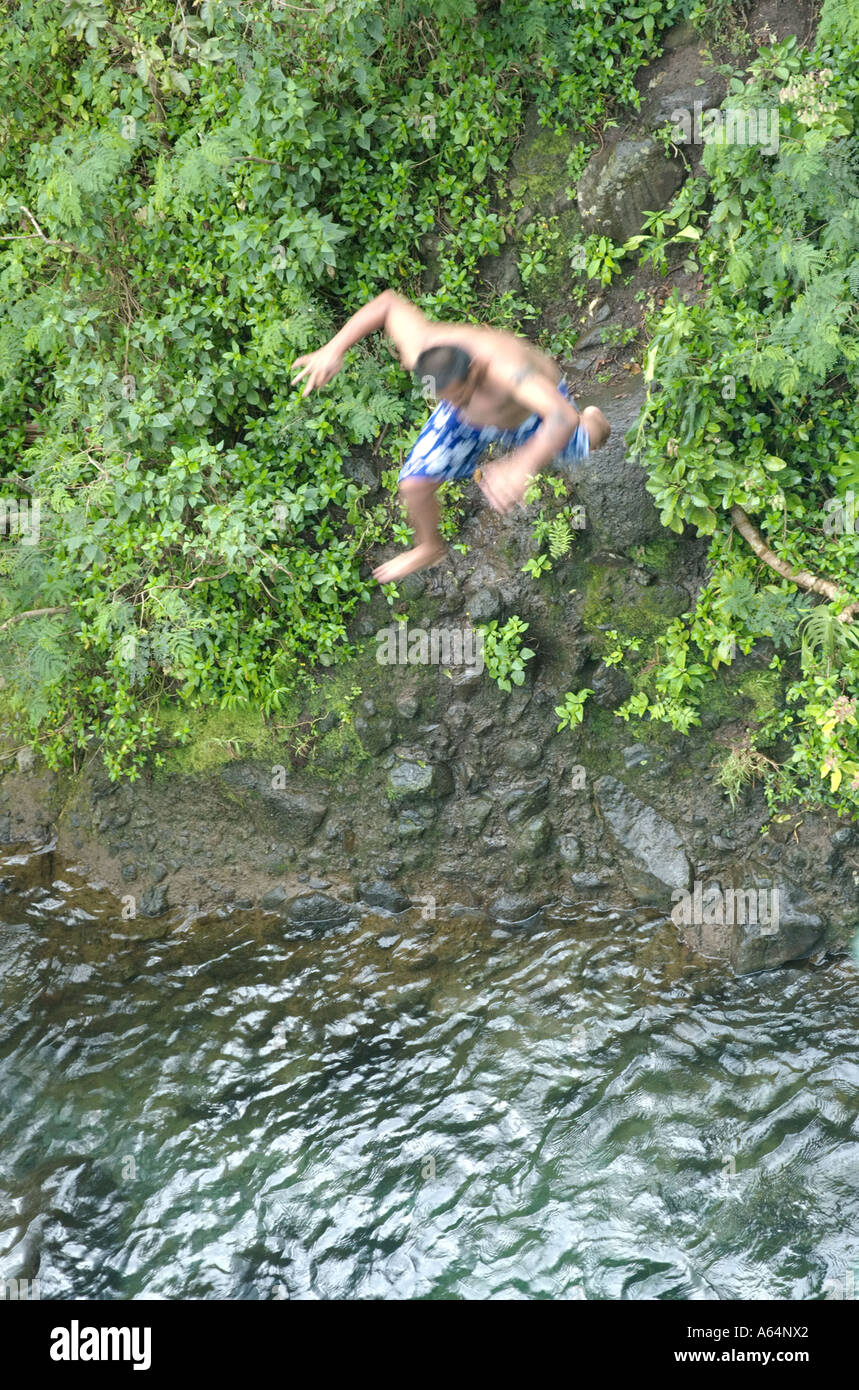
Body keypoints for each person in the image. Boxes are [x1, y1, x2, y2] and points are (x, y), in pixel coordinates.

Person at [291, 289, 611, 583]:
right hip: (466, 422)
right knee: (413, 484)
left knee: (582, 439)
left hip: (531, 414)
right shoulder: (421, 344)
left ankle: (595, 421)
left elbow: (561, 417)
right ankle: (430, 547)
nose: (454, 401)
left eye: (460, 393)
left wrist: (520, 465)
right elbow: (387, 304)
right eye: (446, 397)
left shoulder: (505, 366)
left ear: (473, 368)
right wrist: (334, 348)